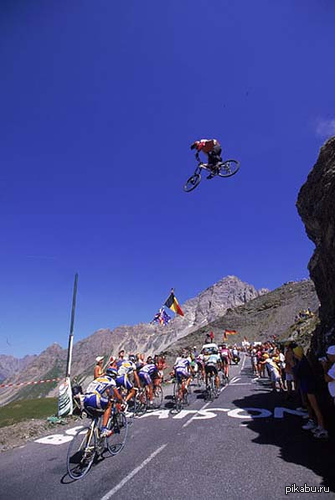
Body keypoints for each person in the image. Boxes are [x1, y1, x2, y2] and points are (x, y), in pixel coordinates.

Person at [292, 346, 328, 439]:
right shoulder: (303, 361)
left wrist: (293, 366)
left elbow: (297, 373)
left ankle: (321, 427)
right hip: (307, 385)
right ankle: (317, 424)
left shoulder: (303, 363)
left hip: (309, 386)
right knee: (311, 406)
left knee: (315, 407)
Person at [83, 367, 125, 437]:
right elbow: (117, 395)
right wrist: (122, 401)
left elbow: (108, 391)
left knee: (94, 420)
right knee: (109, 405)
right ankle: (104, 429)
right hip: (94, 397)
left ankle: (87, 445)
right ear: (113, 376)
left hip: (85, 398)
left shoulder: (98, 379)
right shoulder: (111, 380)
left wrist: (110, 397)